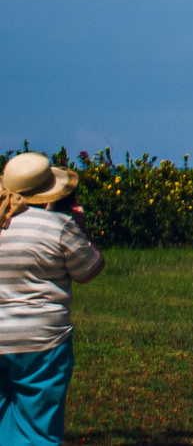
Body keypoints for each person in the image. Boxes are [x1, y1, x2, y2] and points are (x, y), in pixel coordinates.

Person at [0, 153, 104, 446]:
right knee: (38, 427)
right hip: (42, 340)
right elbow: (89, 270)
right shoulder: (57, 225)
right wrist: (81, 230)